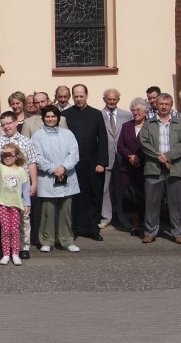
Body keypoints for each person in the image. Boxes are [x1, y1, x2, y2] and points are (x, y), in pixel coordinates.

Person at [0, 111, 38, 260]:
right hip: (5, 187)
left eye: (9, 123)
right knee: (5, 221)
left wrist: (34, 183)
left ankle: (23, 246)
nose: (6, 127)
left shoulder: (26, 141)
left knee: (24, 217)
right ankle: (7, 248)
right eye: (3, 125)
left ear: (16, 122)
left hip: (21, 184)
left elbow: (32, 163)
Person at [60, 84, 108, 242]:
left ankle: (92, 228)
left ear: (87, 95)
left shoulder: (96, 114)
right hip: (71, 164)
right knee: (72, 197)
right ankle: (73, 228)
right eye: (76, 96)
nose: (79, 99)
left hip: (92, 162)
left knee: (93, 196)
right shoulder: (65, 114)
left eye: (81, 96)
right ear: (72, 97)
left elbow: (102, 139)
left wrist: (102, 162)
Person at [139, 93, 181, 244]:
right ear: (157, 105)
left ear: (171, 105)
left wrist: (168, 156)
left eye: (167, 104)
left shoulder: (179, 124)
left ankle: (178, 232)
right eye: (161, 104)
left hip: (174, 167)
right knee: (152, 202)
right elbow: (144, 143)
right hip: (153, 167)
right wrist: (159, 157)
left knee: (176, 202)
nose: (164, 106)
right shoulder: (149, 124)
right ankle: (150, 231)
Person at [32, 105, 80, 253]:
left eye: (53, 116)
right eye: (47, 116)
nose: (50, 119)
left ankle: (66, 240)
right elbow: (37, 156)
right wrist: (53, 169)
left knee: (65, 211)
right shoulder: (37, 136)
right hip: (47, 178)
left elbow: (74, 154)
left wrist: (63, 168)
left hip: (67, 176)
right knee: (48, 211)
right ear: (43, 118)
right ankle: (47, 240)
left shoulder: (68, 134)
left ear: (58, 118)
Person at [116, 98, 148, 237]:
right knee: (130, 198)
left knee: (147, 196)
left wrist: (139, 158)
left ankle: (148, 225)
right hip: (128, 168)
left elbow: (152, 145)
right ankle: (135, 225)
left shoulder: (151, 126)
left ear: (145, 112)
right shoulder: (126, 126)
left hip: (145, 167)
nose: (135, 113)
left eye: (138, 110)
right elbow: (120, 145)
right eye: (133, 110)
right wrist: (131, 157)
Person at [0, 143, 31, 265]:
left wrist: (27, 203)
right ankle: (6, 254)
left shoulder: (21, 171)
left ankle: (15, 253)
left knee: (14, 229)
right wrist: (1, 151)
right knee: (5, 229)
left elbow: (26, 188)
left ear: (16, 156)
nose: (8, 157)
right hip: (3, 203)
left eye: (11, 154)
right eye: (5, 155)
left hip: (16, 204)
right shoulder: (1, 167)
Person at [101, 88, 132, 229]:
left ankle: (123, 217)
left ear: (118, 100)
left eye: (114, 99)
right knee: (105, 189)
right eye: (109, 99)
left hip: (122, 158)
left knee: (121, 189)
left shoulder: (127, 115)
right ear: (104, 99)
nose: (111, 102)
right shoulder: (98, 115)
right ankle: (106, 217)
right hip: (106, 158)